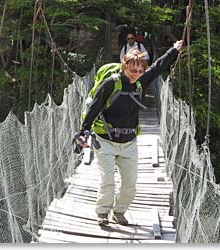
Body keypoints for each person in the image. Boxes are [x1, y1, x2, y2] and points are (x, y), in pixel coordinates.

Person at [77, 40, 183, 226]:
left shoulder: (141, 81)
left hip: (129, 141)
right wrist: (83, 131)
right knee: (108, 180)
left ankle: (119, 211)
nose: (136, 75)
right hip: (105, 140)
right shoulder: (110, 83)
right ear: (124, 66)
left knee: (130, 184)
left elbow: (158, 67)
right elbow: (94, 108)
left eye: (140, 71)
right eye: (133, 70)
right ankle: (102, 213)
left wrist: (174, 50)